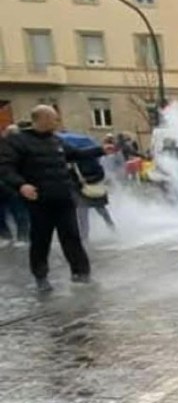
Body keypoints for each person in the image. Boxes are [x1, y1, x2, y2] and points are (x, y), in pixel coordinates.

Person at [0, 105, 103, 291]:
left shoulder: (56, 140)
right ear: (42, 119)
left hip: (63, 198)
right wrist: (21, 184)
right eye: (54, 118)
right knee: (40, 240)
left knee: (72, 237)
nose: (57, 122)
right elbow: (6, 167)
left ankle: (81, 273)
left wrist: (101, 150)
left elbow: (77, 154)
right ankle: (41, 277)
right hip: (39, 200)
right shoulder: (18, 141)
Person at [0, 125, 30, 248]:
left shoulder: (20, 149)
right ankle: (6, 236)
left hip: (14, 185)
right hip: (4, 184)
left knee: (19, 212)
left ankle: (23, 237)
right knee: (2, 213)